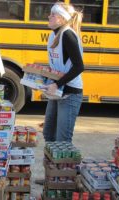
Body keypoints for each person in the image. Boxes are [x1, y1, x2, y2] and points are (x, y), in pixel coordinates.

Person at [36, 2, 84, 184]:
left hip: (70, 93)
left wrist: (57, 84)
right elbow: (57, 65)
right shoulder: (53, 34)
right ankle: (51, 176)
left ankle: (61, 180)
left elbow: (79, 66)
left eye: (52, 15)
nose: (48, 17)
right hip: (57, 91)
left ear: (62, 18)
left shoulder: (68, 35)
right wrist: (43, 77)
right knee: (48, 133)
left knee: (63, 140)